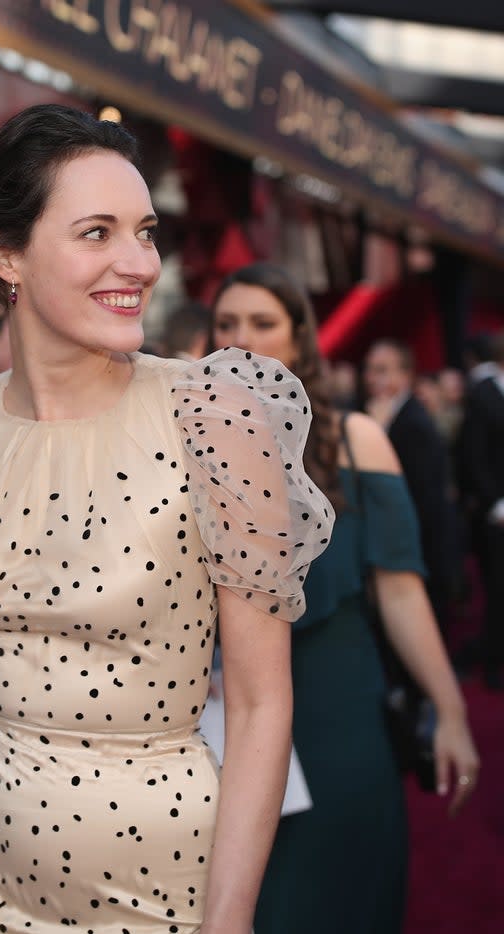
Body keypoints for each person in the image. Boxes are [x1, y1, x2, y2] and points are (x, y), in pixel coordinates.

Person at [0, 104, 334, 933]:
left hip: (167, 881)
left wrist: (231, 917)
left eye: (144, 231)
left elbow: (257, 704)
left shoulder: (213, 415)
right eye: (97, 232)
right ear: (7, 257)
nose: (137, 262)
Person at [208, 262, 479, 933]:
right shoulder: (190, 448)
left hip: (338, 710)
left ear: (300, 341)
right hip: (226, 719)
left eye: (263, 324)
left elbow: (402, 591)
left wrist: (448, 710)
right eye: (226, 324)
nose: (242, 339)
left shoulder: (357, 442)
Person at [362, 338, 462, 634]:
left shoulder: (412, 422)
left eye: (381, 370)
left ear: (405, 376)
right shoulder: (388, 413)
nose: (371, 377)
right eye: (369, 369)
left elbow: (418, 498)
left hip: (418, 549)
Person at [457, 330, 504, 689]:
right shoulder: (484, 394)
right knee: (496, 588)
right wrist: (494, 502)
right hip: (496, 513)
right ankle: (493, 661)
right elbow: (473, 455)